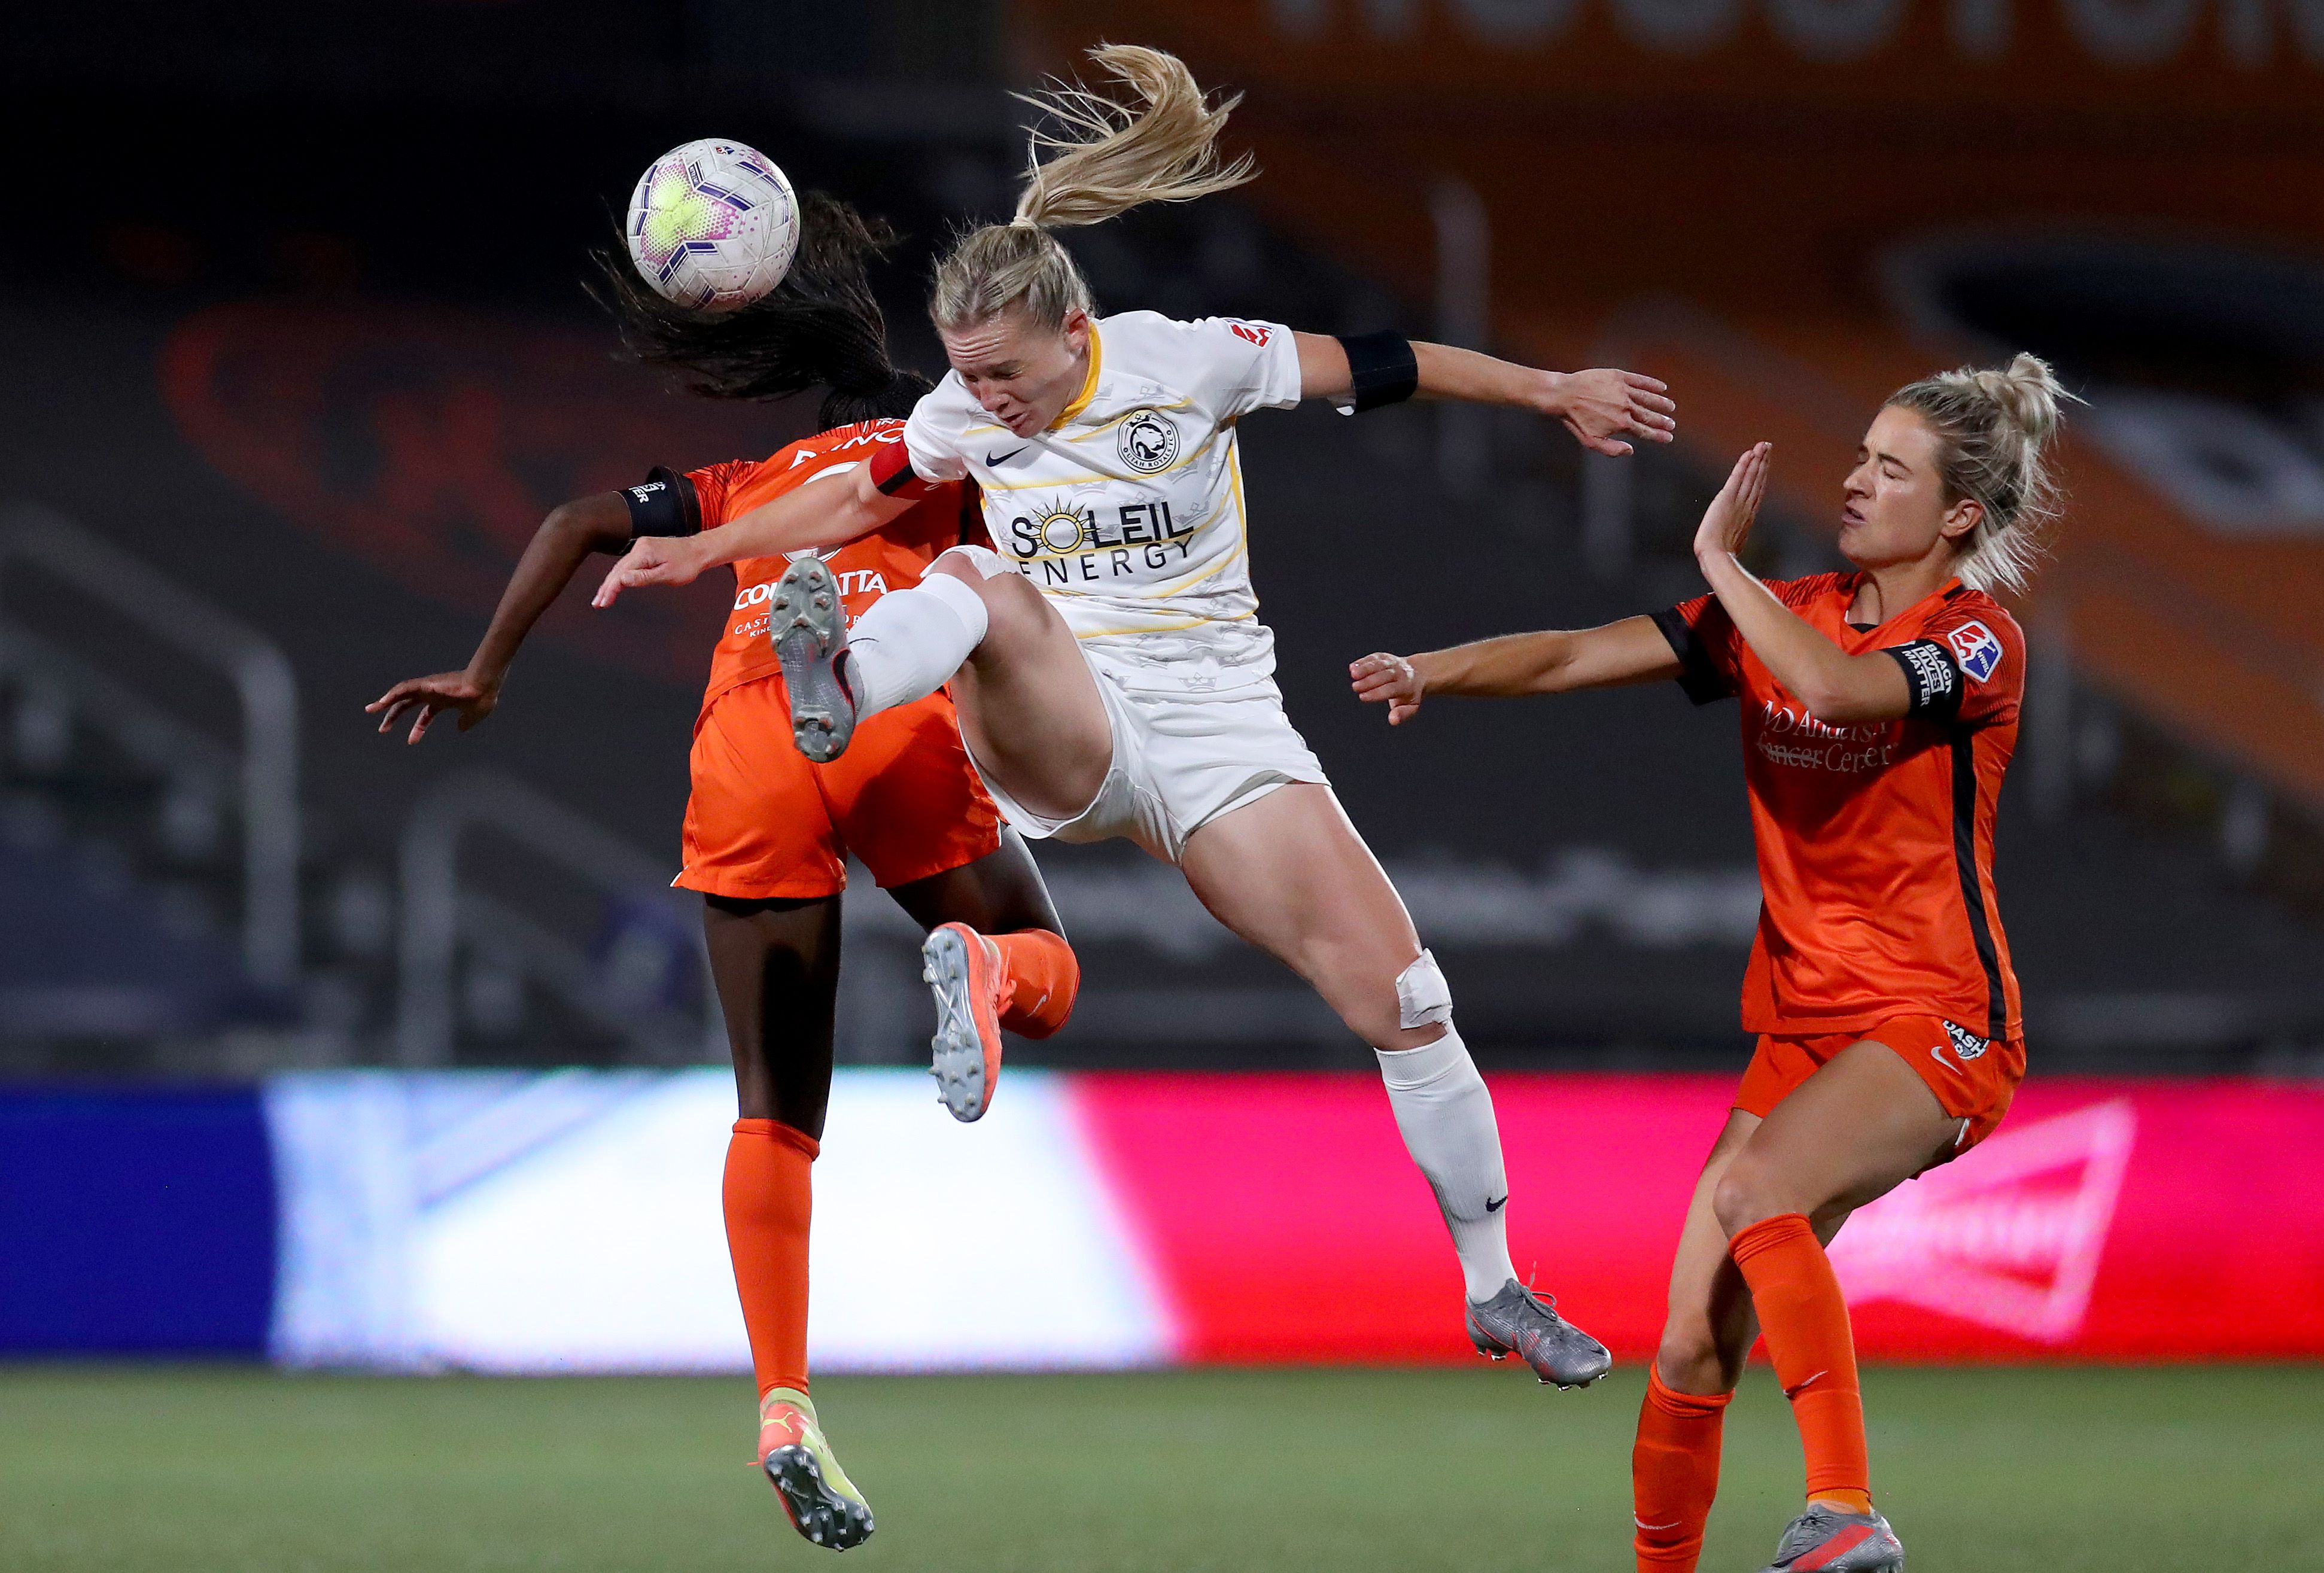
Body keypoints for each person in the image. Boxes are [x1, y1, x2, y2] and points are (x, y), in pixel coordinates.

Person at [594, 43, 1678, 1386]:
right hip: (1063, 716)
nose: (983, 401)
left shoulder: (1192, 362)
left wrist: (1549, 388)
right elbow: (855, 498)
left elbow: (1382, 364)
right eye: (965, 379)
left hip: (1225, 740)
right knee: (977, 575)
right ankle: (844, 688)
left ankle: (1497, 1285)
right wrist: (702, 551)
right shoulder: (961, 414)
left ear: (1074, 331)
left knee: (1406, 997)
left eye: (1003, 376)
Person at [366, 193, 1084, 1553]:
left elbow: (584, 515)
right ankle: (982, 965)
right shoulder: (945, 438)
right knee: (1049, 974)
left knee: (776, 1113)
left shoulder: (752, 483)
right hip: (882, 699)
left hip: (749, 733)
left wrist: (486, 669)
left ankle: (781, 1403)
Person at [1351, 354, 2067, 1573]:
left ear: (1957, 514)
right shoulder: (1786, 611)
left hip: (1937, 1021)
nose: (1853, 481)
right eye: (1859, 454)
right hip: (1801, 1026)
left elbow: (1836, 693)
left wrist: (1722, 568)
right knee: (1686, 1341)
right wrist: (1434, 670)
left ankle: (1845, 1508)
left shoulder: (1976, 640)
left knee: (1754, 1195)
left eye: (1889, 470)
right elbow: (1578, 654)